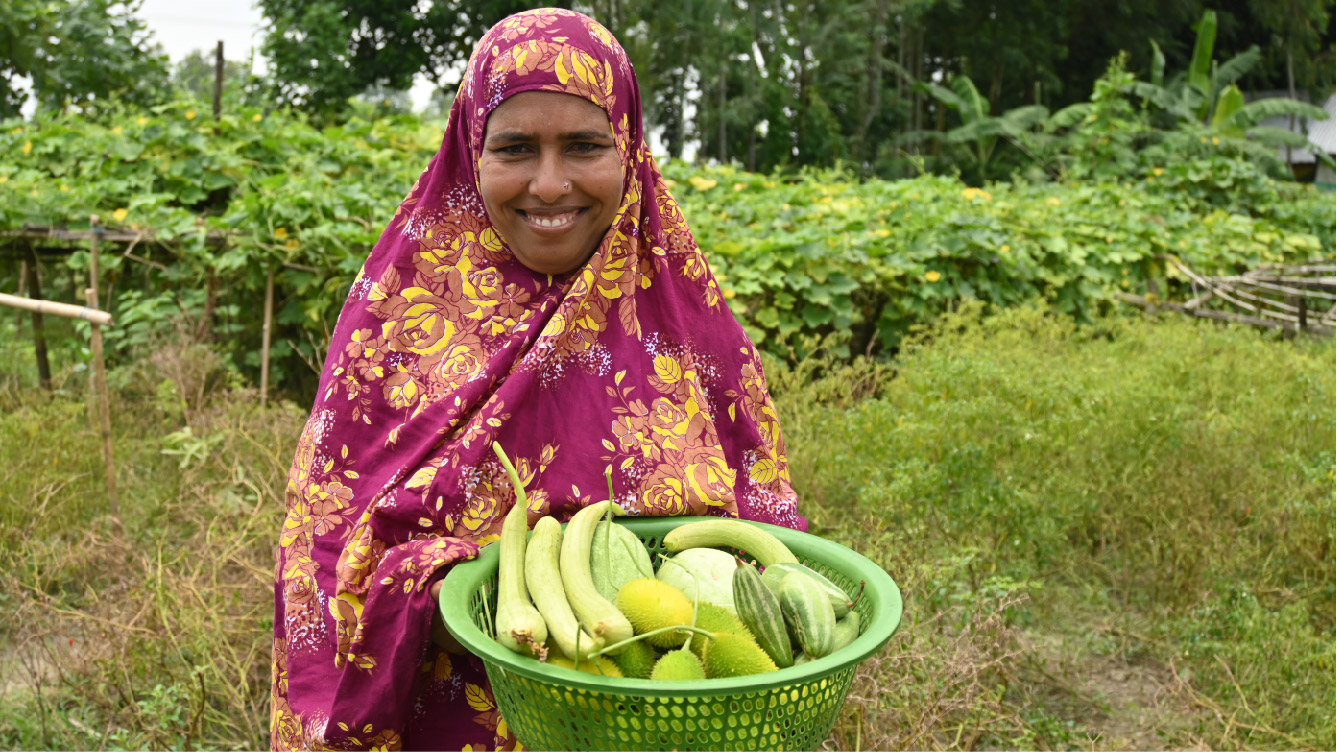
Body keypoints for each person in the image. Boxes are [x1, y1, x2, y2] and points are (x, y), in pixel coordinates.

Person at [271, 9, 802, 750]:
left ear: (628, 150)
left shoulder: (687, 323)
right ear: (469, 153)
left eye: (583, 146)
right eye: (515, 148)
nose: (549, 186)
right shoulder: (395, 323)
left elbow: (766, 537)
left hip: (658, 721)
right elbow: (323, 547)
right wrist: (445, 575)